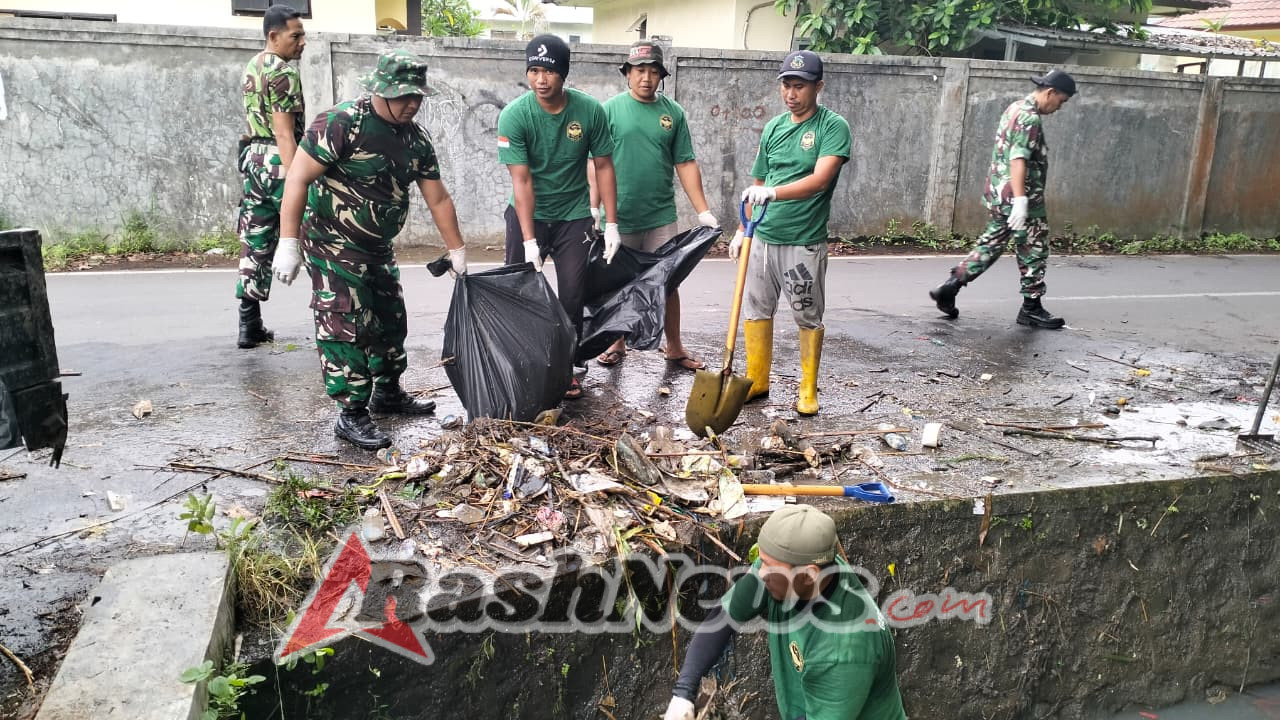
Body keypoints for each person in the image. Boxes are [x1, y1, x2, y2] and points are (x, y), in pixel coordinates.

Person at [274, 49, 468, 451]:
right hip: (332, 242)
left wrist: (458, 250)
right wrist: (288, 243)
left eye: (417, 96)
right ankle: (351, 413)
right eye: (402, 96)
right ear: (380, 89)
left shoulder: (414, 139)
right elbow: (297, 179)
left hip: (377, 246)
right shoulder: (342, 123)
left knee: (389, 317)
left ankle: (388, 393)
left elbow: (438, 198)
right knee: (346, 323)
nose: (411, 104)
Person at [662, 505, 907, 720]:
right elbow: (723, 617)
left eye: (768, 566)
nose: (760, 573)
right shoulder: (796, 569)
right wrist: (683, 693)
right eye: (762, 561)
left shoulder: (843, 649)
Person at [497, 34, 620, 400]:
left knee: (571, 295)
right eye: (533, 71)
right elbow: (522, 180)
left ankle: (565, 369)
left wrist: (611, 222)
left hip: (574, 217)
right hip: (527, 214)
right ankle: (520, 363)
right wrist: (529, 239)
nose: (541, 79)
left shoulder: (589, 111)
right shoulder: (515, 115)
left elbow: (605, 167)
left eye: (548, 71)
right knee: (518, 291)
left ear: (563, 73)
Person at [734, 50, 850, 416]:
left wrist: (774, 192)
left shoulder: (833, 127)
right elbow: (758, 180)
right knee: (755, 310)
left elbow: (819, 180)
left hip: (803, 240)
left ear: (819, 87)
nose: (791, 93)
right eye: (786, 85)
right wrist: (742, 228)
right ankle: (756, 379)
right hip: (763, 237)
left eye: (799, 86)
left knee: (806, 313)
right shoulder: (773, 127)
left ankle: (807, 387)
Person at [591, 40, 718, 372]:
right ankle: (617, 343)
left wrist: (703, 210)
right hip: (619, 216)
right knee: (619, 283)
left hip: (660, 215)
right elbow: (595, 164)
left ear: (661, 75)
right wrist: (595, 208)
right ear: (627, 74)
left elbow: (686, 163)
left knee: (668, 282)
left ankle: (674, 348)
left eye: (652, 71)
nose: (646, 78)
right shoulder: (608, 111)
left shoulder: (672, 113)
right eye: (639, 71)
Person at [929, 70, 1076, 329]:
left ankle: (951, 286)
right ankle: (1031, 308)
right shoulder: (1029, 118)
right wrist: (1021, 200)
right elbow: (1017, 158)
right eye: (1061, 101)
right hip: (1021, 197)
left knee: (992, 243)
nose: (1059, 107)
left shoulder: (1014, 108)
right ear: (1050, 92)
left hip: (999, 194)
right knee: (1034, 249)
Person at [234, 5, 307, 349]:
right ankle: (335, 319)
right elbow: (284, 133)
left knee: (256, 238)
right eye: (296, 35)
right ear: (273, 36)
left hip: (255, 160)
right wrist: (297, 181)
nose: (302, 42)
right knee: (314, 233)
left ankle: (249, 323)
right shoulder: (284, 73)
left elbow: (252, 124)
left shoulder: (252, 65)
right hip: (280, 160)